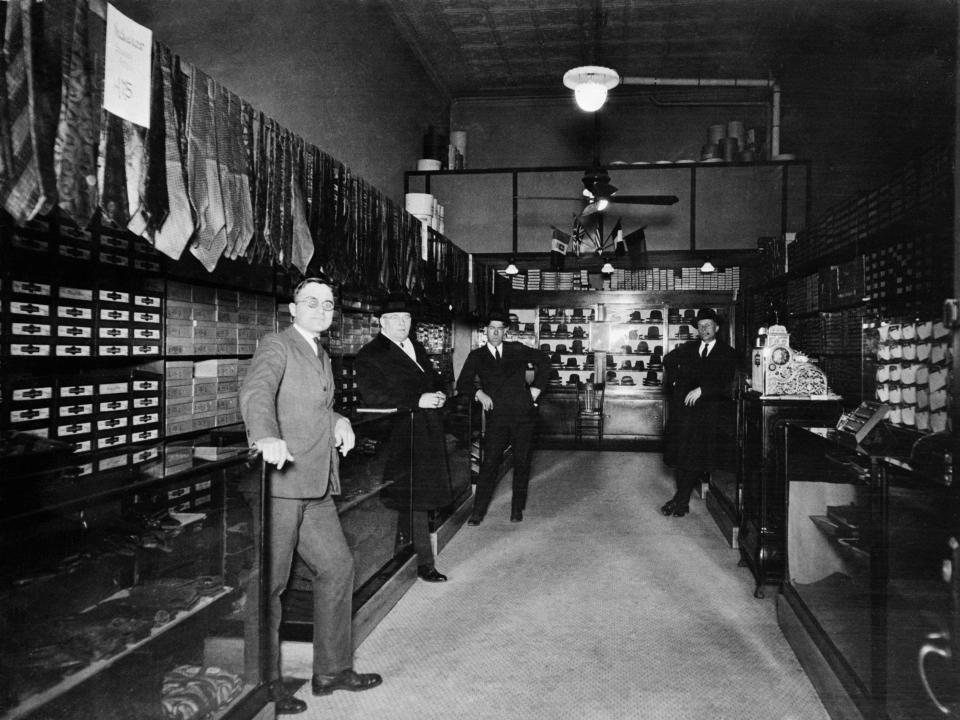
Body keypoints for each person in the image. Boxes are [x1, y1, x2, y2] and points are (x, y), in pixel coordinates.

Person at [239, 276, 382, 714]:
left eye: (328, 303)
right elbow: (257, 392)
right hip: (282, 485)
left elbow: (315, 406)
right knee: (271, 584)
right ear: (292, 307)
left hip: (316, 484)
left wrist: (340, 420)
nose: (321, 309)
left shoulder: (321, 353)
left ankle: (331, 671)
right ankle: (262, 685)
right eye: (311, 302)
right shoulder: (276, 345)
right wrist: (264, 436)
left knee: (338, 566)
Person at [355, 293, 452, 583]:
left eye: (406, 318)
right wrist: (416, 400)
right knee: (407, 499)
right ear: (382, 323)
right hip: (397, 436)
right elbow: (373, 396)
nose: (402, 324)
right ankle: (419, 561)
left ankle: (412, 555)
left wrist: (437, 394)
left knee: (417, 498)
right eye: (395, 319)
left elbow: (428, 381)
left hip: (425, 431)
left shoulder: (416, 347)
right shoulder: (370, 354)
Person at [456, 309, 550, 524]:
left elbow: (544, 361)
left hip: (523, 415)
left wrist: (536, 390)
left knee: (522, 462)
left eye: (500, 329)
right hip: (497, 417)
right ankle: (478, 512)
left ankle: (517, 509)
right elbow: (463, 383)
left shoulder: (516, 349)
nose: (496, 333)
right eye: (492, 329)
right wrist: (478, 393)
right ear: (485, 331)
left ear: (505, 331)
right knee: (489, 464)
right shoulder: (477, 356)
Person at [660, 307, 738, 517]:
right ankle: (681, 500)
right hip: (685, 413)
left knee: (696, 457)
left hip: (709, 414)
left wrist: (703, 389)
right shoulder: (688, 348)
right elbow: (667, 360)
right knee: (680, 455)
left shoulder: (727, 353)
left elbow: (726, 382)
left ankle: (680, 500)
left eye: (708, 325)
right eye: (700, 326)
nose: (704, 329)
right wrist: (677, 383)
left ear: (717, 328)